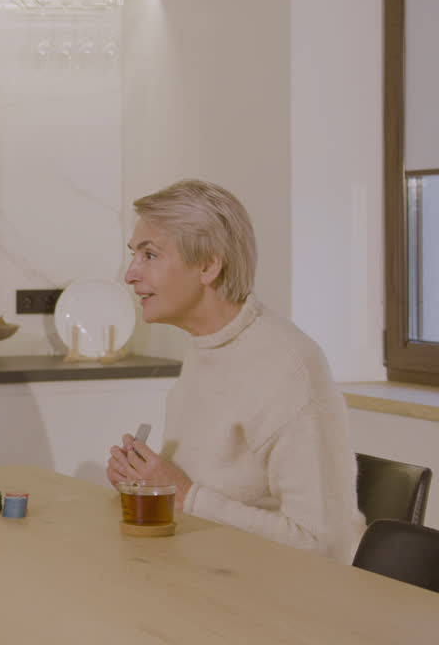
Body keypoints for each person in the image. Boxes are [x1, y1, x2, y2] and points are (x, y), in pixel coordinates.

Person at [106, 180, 365, 562]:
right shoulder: (206, 346)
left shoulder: (289, 367)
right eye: (135, 255)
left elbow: (324, 545)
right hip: (204, 569)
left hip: (275, 591)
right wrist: (147, 482)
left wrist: (183, 495)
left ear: (208, 266)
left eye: (150, 255)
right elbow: (208, 490)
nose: (129, 274)